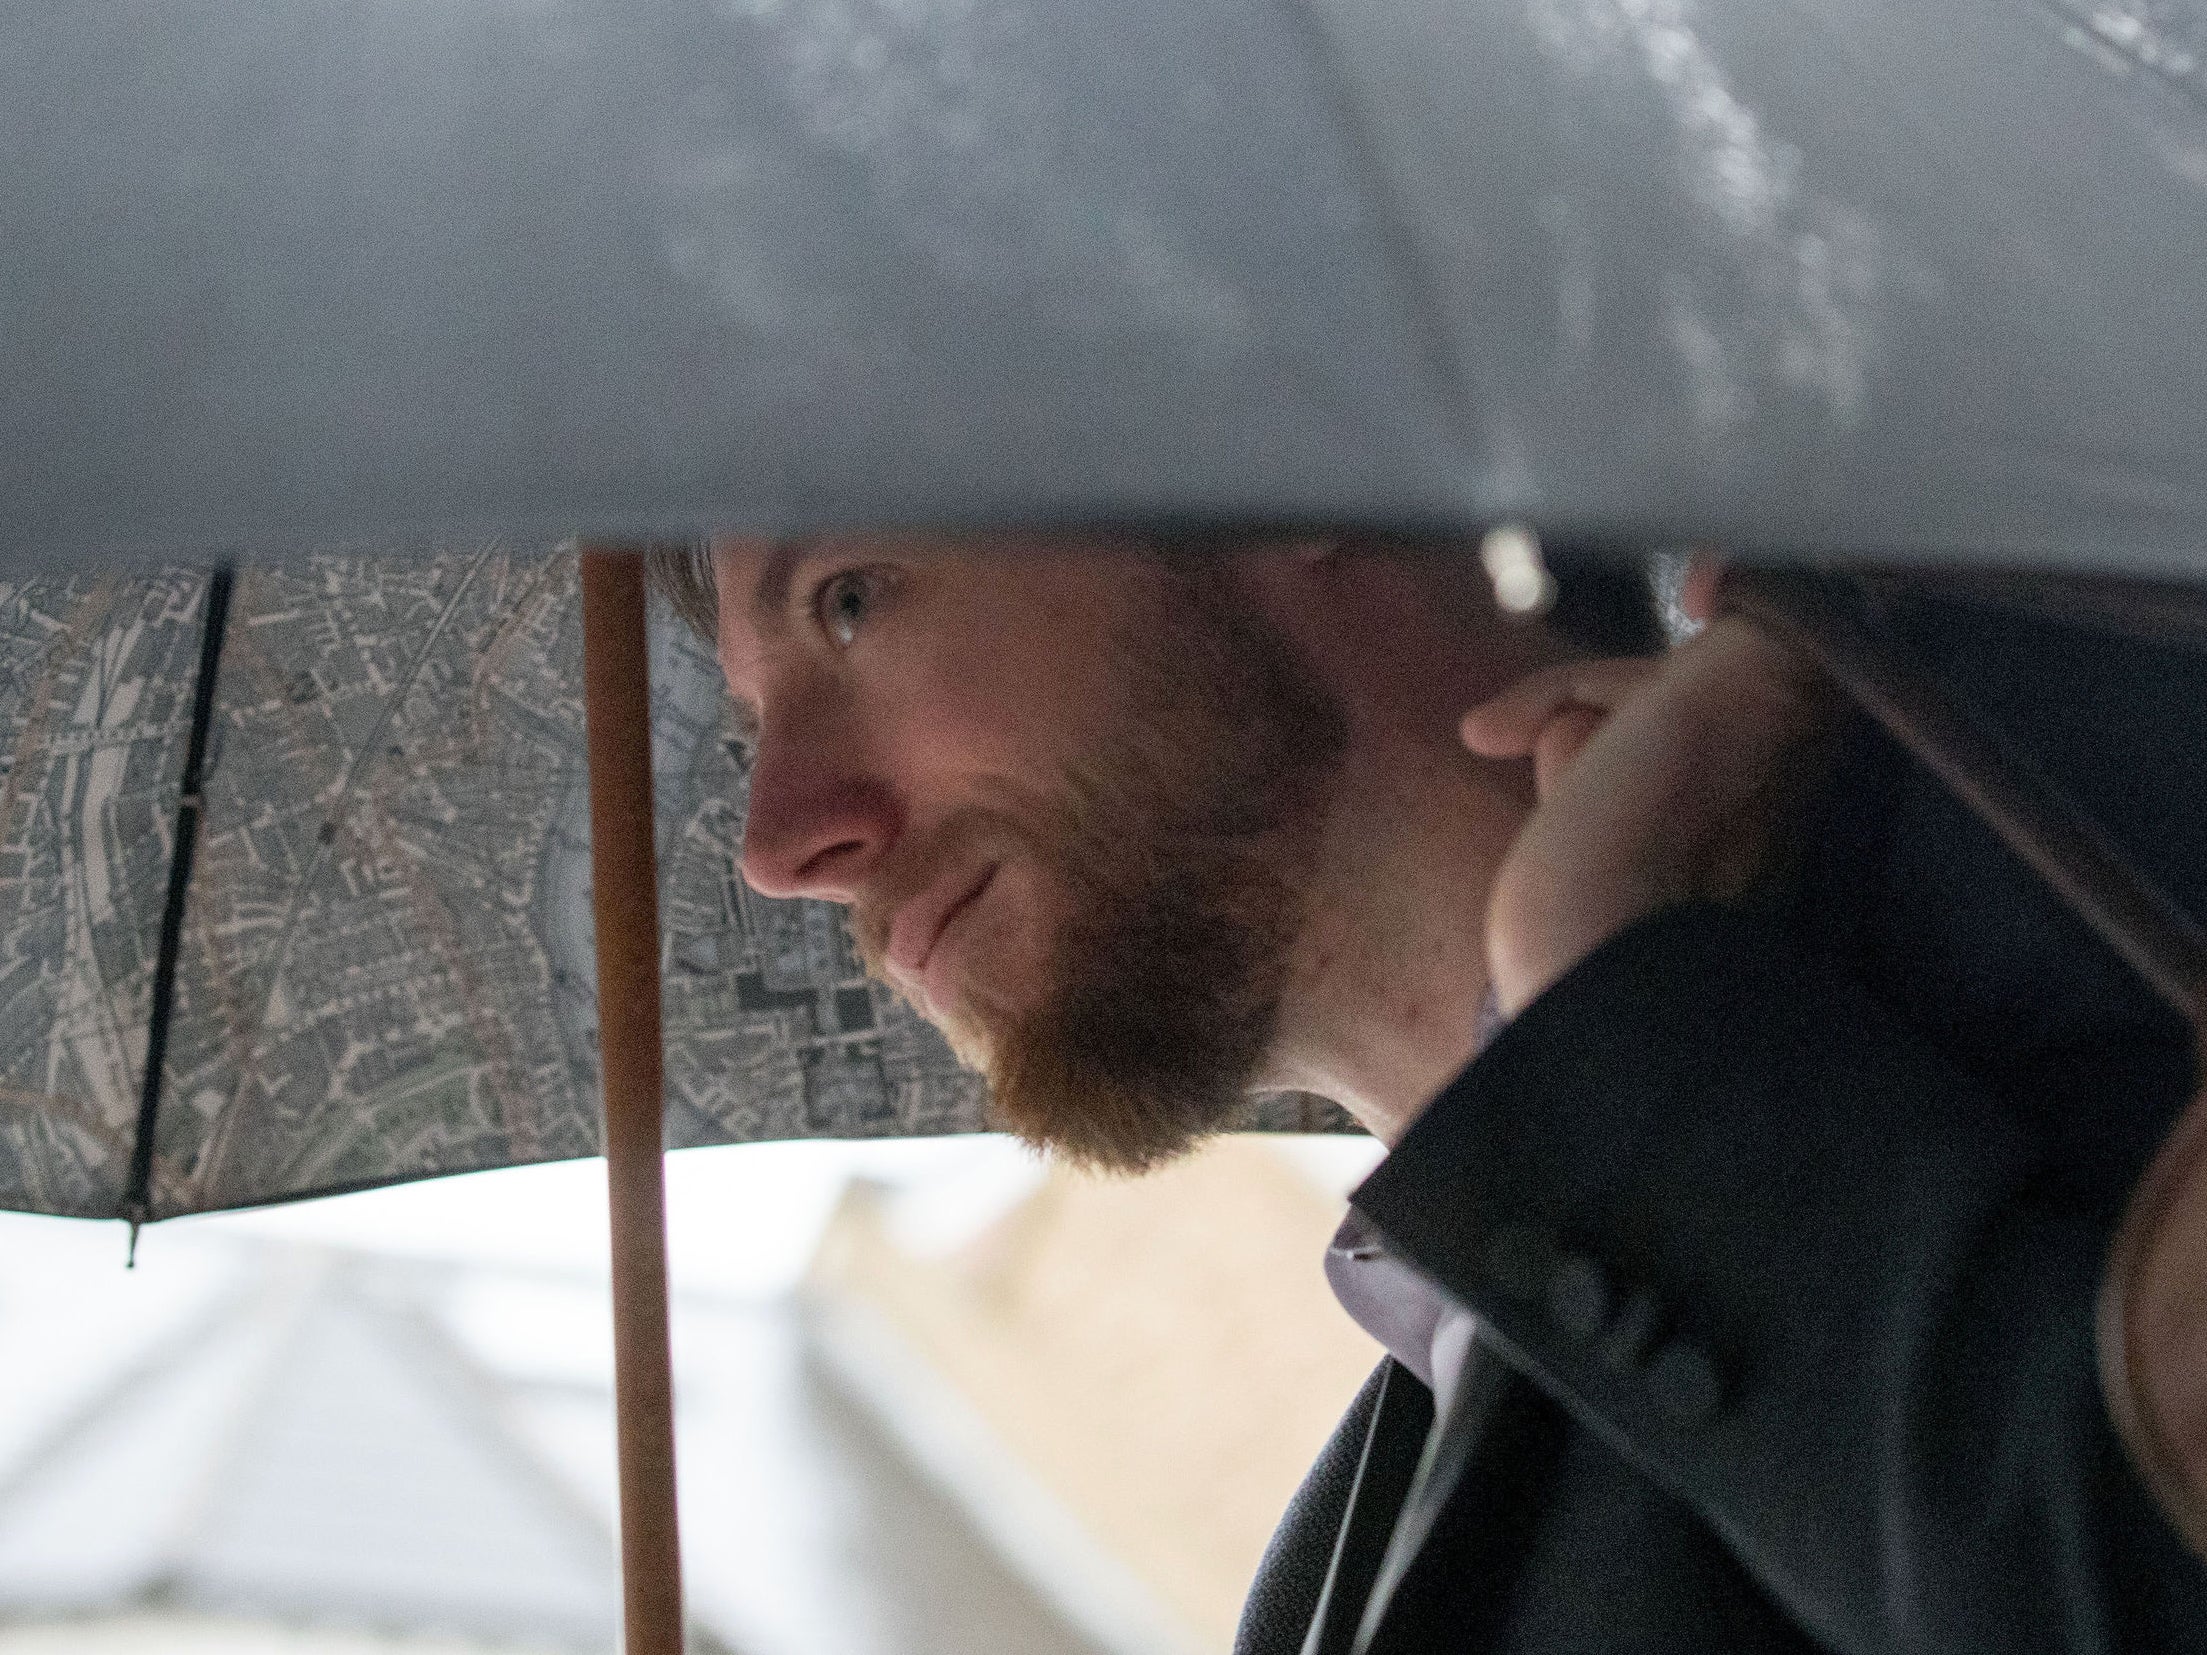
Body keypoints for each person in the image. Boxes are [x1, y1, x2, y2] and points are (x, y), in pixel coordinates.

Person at [655, 529, 2207, 1653]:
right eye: (752, 724)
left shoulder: (2085, 842)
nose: (781, 839)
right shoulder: (1330, 1589)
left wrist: (1600, 993)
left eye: (851, 601)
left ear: (1272, 463)